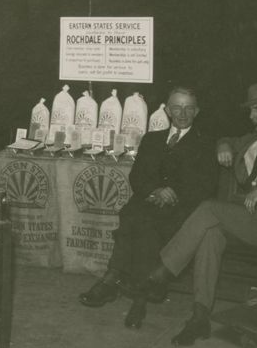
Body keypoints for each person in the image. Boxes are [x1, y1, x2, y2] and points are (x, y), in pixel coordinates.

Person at [146, 80, 257, 346]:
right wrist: (223, 146)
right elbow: (226, 139)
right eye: (250, 111)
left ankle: (162, 271)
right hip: (244, 218)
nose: (252, 116)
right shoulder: (251, 139)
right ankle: (200, 316)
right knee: (210, 234)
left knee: (208, 209)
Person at [78, 86, 218, 329]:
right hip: (149, 201)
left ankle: (121, 287)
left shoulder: (205, 143)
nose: (182, 113)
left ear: (197, 111)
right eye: (176, 107)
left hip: (181, 207)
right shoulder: (152, 139)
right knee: (134, 215)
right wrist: (154, 190)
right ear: (167, 110)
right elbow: (137, 176)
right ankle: (136, 290)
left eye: (188, 108)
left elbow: (206, 185)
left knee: (145, 224)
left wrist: (172, 196)